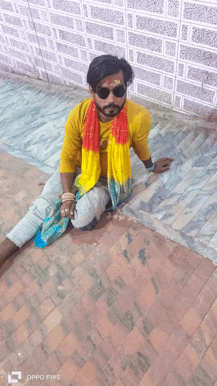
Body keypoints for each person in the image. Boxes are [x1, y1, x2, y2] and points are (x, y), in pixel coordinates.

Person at [0, 54, 173, 266]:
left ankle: (98, 199)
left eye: (119, 91)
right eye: (103, 92)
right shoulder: (78, 115)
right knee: (42, 206)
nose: (112, 100)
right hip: (78, 169)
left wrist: (151, 165)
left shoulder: (139, 117)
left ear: (125, 89)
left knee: (80, 220)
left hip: (108, 180)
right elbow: (67, 157)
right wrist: (66, 195)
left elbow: (139, 146)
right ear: (91, 90)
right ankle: (4, 252)